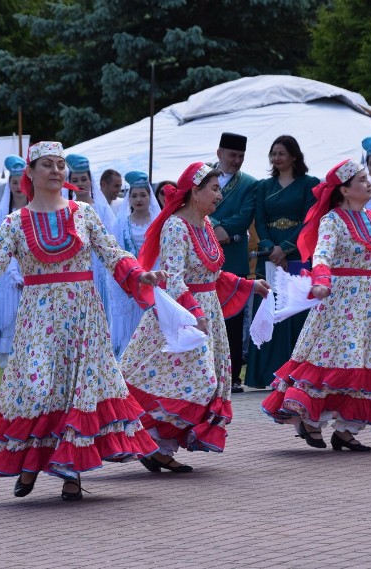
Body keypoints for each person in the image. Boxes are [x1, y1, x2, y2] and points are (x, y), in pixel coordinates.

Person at [0, 141, 165, 501]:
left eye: (61, 164)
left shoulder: (84, 213)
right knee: (37, 387)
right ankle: (30, 462)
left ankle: (71, 473)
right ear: (30, 173)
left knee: (80, 390)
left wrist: (139, 274)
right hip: (37, 318)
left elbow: (112, 252)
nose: (57, 171)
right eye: (48, 164)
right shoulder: (16, 222)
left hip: (83, 318)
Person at [262, 159, 371, 451]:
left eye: (367, 179)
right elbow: (322, 254)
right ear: (344, 190)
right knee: (337, 363)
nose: (368, 183)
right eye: (361, 179)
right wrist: (320, 279)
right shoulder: (332, 220)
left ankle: (347, 427)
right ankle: (311, 420)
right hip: (340, 302)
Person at [120, 162, 269, 473]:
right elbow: (173, 278)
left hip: (204, 314)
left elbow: (210, 274)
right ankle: (152, 441)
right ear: (194, 192)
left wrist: (247, 284)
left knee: (193, 383)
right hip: (180, 317)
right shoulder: (176, 227)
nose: (219, 194)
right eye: (214, 188)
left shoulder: (206, 224)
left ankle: (160, 447)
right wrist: (195, 313)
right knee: (193, 383)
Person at [244, 135, 318, 389]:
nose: (276, 158)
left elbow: (311, 220)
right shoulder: (264, 186)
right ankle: (268, 374)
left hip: (299, 255)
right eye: (273, 153)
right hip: (270, 256)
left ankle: (298, 372)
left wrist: (287, 249)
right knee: (270, 306)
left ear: (294, 156)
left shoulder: (310, 184)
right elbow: (260, 221)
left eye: (281, 153)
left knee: (296, 308)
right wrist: (271, 248)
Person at [209, 132, 258, 393]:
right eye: (232, 155)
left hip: (234, 254)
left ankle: (233, 375)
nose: (236, 160)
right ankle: (205, 372)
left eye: (241, 156)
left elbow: (245, 214)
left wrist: (222, 231)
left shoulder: (249, 183)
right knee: (205, 311)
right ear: (220, 154)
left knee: (234, 315)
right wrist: (213, 227)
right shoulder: (203, 175)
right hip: (205, 253)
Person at [108, 171, 162, 359]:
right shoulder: (121, 223)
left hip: (153, 281)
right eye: (134, 195)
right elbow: (116, 252)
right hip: (130, 282)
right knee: (130, 327)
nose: (139, 199)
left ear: (150, 196)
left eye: (143, 194)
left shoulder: (159, 223)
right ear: (128, 198)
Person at [65, 153, 119, 331]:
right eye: (75, 179)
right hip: (74, 264)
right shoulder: (66, 207)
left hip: (98, 264)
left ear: (90, 181)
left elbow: (111, 238)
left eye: (83, 179)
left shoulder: (100, 207)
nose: (80, 183)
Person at [0, 155, 29, 368]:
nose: (18, 186)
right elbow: (0, 245)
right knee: (10, 317)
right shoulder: (4, 212)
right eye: (14, 182)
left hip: (30, 269)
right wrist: (12, 273)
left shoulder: (34, 209)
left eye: (21, 181)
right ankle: (7, 364)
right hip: (8, 272)